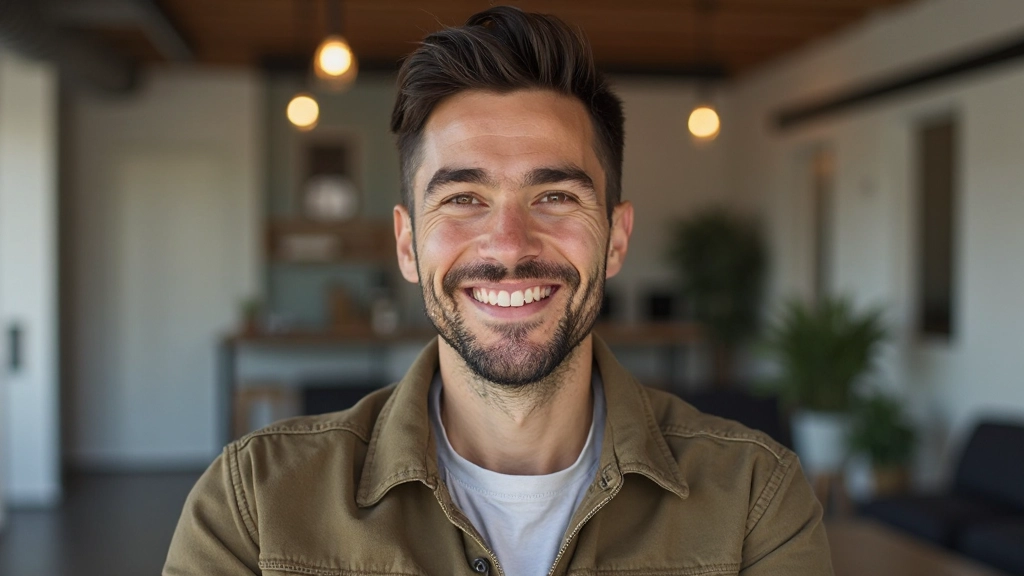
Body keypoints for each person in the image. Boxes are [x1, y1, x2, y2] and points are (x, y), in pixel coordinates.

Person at [164, 6, 833, 576]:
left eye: (554, 195)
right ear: (406, 243)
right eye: (463, 197)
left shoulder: (755, 503)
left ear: (618, 238)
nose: (509, 245)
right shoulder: (254, 506)